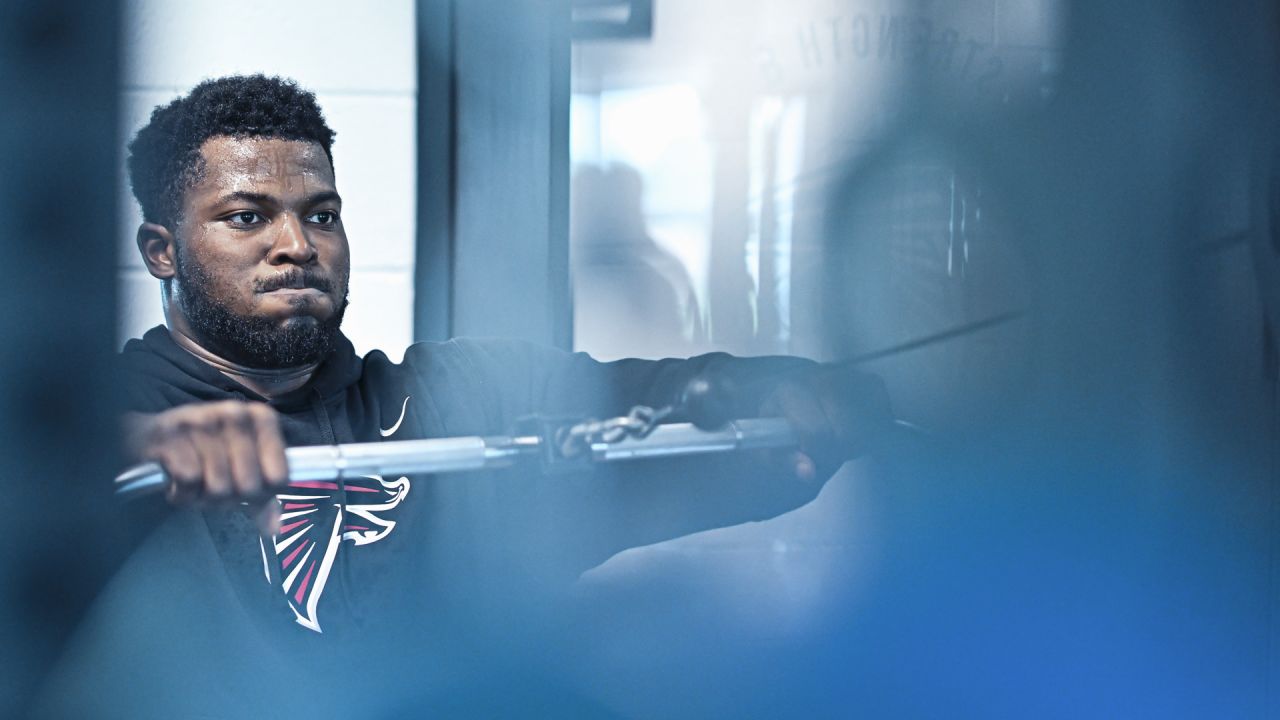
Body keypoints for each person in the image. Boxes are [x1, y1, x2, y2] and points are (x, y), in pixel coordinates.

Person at [39, 75, 892, 718]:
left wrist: (785, 401)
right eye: (247, 217)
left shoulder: (455, 395)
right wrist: (141, 458)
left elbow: (652, 405)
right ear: (161, 249)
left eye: (322, 215)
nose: (297, 246)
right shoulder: (82, 418)